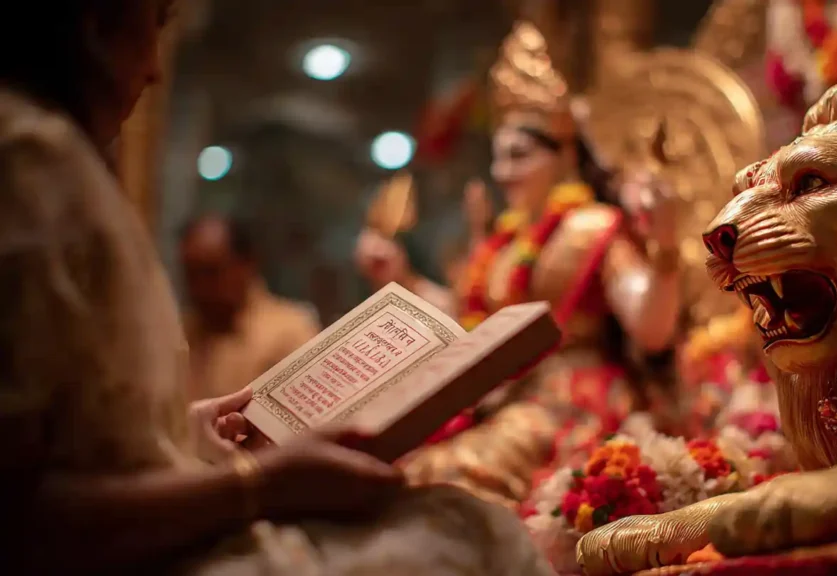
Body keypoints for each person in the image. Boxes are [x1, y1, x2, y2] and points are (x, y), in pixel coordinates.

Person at [0, 2, 553, 574]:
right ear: (94, 25)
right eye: (155, 24)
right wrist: (258, 486)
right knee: (473, 529)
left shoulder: (51, 157)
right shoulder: (27, 163)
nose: (156, 71)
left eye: (523, 153)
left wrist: (185, 431)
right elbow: (22, 512)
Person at [355, 22, 684, 506]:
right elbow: (478, 323)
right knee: (408, 467)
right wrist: (403, 279)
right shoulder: (505, 240)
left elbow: (651, 330)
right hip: (503, 393)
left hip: (572, 398)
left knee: (455, 479)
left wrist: (666, 248)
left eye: (518, 156)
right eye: (497, 157)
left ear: (565, 156)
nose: (500, 172)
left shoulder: (593, 227)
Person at [180, 214, 321, 401]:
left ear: (246, 265)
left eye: (210, 272)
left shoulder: (290, 333)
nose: (200, 287)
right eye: (191, 274)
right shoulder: (180, 332)